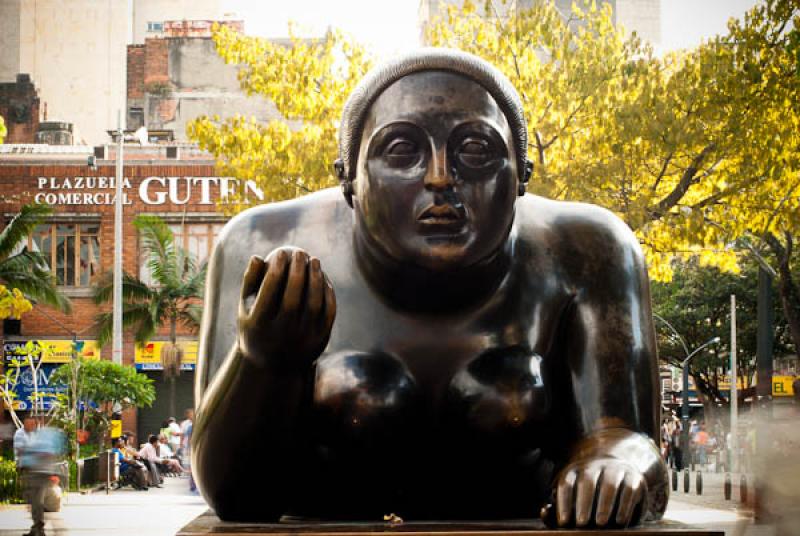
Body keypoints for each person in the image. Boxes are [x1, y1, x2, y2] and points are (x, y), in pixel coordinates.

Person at [192, 48, 668, 528]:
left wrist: (616, 464)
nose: (441, 178)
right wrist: (262, 363)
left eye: (475, 150)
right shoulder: (264, 242)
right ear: (349, 177)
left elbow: (626, 435)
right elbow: (236, 499)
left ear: (521, 175)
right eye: (402, 150)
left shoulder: (588, 249)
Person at [18, 422, 65, 536]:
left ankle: (38, 528)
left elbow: (48, 454)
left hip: (40, 473)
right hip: (36, 472)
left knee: (36, 501)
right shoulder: (38, 436)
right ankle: (37, 528)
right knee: (34, 500)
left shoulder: (47, 436)